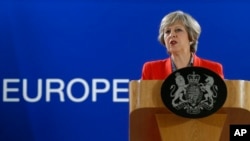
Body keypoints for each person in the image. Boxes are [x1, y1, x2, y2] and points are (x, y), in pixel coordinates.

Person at [141, 10, 224, 80]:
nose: (172, 35)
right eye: (167, 31)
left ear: (191, 37)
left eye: (178, 30)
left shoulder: (213, 69)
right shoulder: (151, 69)